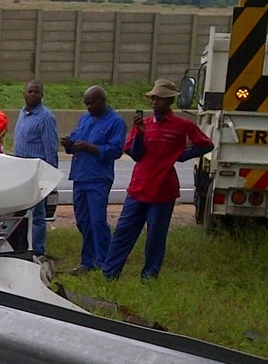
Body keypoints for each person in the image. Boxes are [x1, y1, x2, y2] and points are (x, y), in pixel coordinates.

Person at [102, 79, 213, 282]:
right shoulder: (143, 125)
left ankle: (149, 278)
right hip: (139, 188)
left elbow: (206, 145)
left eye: (159, 99)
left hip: (163, 191)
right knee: (123, 233)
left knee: (155, 237)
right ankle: (110, 274)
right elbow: (135, 154)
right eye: (153, 98)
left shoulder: (182, 126)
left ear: (169, 101)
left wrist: (182, 155)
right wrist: (140, 135)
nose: (154, 102)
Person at [61, 85, 127, 274]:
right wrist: (69, 144)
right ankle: (87, 261)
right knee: (83, 221)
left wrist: (91, 147)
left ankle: (105, 262)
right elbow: (75, 142)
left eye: (91, 103)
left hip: (98, 178)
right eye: (86, 104)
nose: (89, 107)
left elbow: (116, 150)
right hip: (80, 176)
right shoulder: (85, 119)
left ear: (101, 101)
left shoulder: (115, 122)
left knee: (97, 220)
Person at [11, 79, 59, 256]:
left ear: (42, 95)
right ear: (24, 93)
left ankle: (38, 251)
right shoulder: (22, 113)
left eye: (36, 92)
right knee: (21, 213)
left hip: (37, 173)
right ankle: (21, 247)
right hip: (21, 172)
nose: (32, 94)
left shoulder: (46, 118)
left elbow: (50, 149)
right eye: (30, 91)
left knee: (38, 215)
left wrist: (49, 177)